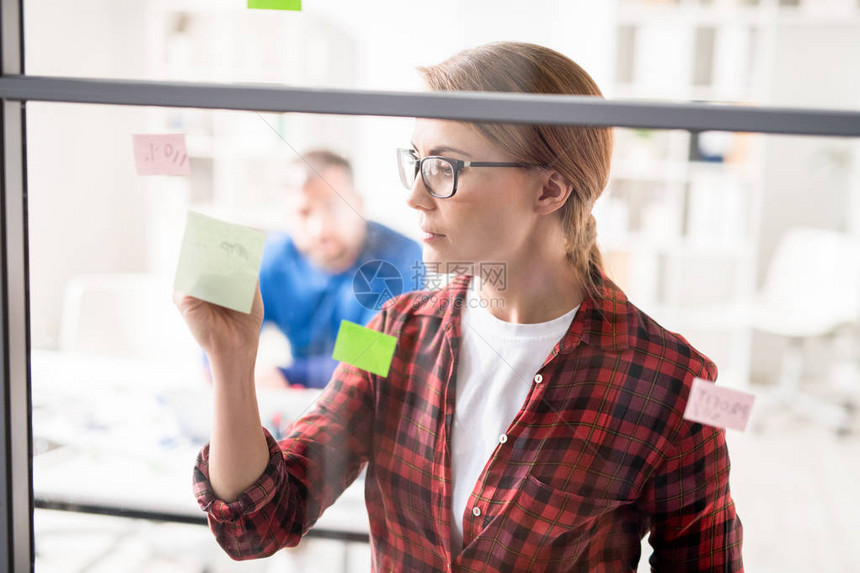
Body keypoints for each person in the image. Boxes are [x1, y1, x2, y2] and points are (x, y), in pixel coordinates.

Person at [175, 42, 743, 571]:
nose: (415, 195)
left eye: (446, 168)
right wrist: (231, 357)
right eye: (417, 162)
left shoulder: (675, 385)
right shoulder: (393, 330)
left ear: (549, 190)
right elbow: (259, 524)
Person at [255, 149, 423, 389]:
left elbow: (370, 358)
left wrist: (284, 375)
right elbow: (220, 337)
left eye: (333, 207)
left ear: (359, 205)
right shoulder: (274, 257)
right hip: (300, 405)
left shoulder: (400, 256)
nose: (319, 229)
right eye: (303, 213)